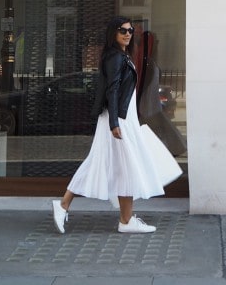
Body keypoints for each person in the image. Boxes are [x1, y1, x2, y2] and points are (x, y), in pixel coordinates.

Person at [53, 17, 182, 235]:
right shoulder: (114, 57)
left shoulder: (123, 55)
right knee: (121, 165)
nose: (127, 33)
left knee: (120, 167)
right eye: (122, 30)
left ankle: (124, 219)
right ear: (113, 32)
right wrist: (114, 122)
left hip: (124, 117)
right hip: (118, 120)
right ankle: (74, 206)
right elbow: (111, 90)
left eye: (130, 30)